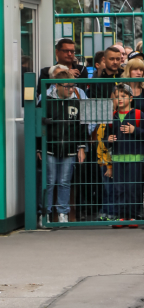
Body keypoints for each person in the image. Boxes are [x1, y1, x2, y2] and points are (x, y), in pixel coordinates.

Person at [42, 66, 88, 224]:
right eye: (67, 86)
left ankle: (63, 213)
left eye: (72, 86)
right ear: (56, 86)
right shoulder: (46, 102)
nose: (70, 89)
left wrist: (81, 147)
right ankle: (46, 213)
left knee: (64, 181)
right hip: (49, 147)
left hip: (69, 148)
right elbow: (39, 126)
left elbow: (82, 127)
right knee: (49, 181)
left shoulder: (76, 102)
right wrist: (39, 147)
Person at [105, 83, 144, 222]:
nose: (120, 99)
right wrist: (109, 140)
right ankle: (121, 215)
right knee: (119, 188)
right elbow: (106, 137)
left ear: (131, 98)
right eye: (117, 96)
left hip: (135, 159)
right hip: (118, 158)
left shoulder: (138, 114)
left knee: (133, 188)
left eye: (123, 96)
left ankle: (133, 215)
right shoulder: (112, 116)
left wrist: (134, 131)